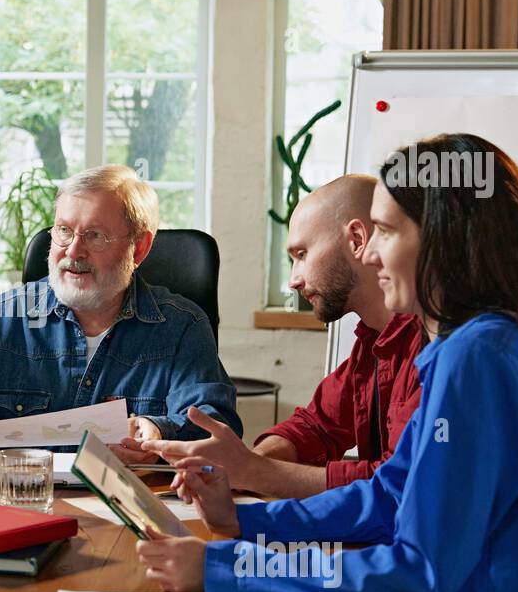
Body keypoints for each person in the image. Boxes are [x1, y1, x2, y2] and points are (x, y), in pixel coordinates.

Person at [135, 133, 518, 592]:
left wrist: (222, 567)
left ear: (442, 239)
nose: (368, 251)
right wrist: (247, 524)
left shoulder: (475, 359)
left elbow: (419, 573)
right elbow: (394, 494)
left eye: (386, 231)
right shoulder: (497, 342)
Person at [0, 164, 241, 461]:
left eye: (95, 236)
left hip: (127, 506)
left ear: (138, 248)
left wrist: (159, 432)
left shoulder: (182, 327)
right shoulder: (4, 318)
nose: (73, 250)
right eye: (64, 231)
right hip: (17, 503)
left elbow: (218, 432)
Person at [140, 175, 424, 498]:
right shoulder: (371, 342)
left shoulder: (433, 346)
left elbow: (398, 487)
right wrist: (243, 465)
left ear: (357, 241)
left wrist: (255, 472)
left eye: (301, 254)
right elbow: (315, 427)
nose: (293, 281)